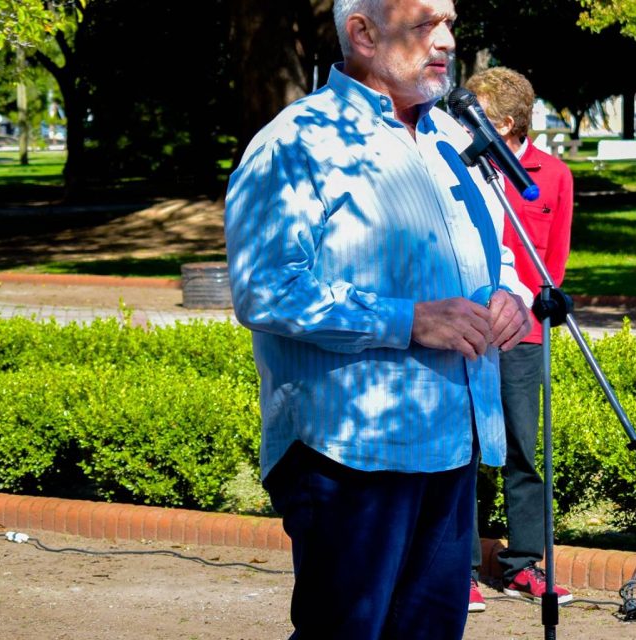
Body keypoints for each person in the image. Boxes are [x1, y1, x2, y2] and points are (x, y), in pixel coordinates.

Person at [222, 0, 532, 636]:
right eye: (424, 24)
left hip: (453, 441)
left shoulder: (453, 141)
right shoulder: (295, 142)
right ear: (361, 33)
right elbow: (265, 289)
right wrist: (408, 320)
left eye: (449, 22)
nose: (445, 40)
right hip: (350, 453)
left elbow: (497, 252)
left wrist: (510, 296)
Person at [461, 66, 575, 612]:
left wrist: (520, 312)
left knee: (524, 451)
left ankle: (523, 564)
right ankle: (455, 568)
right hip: (462, 333)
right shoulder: (457, 169)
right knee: (460, 452)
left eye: (476, 111)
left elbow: (553, 263)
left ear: (504, 122)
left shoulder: (552, 175)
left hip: (522, 338)